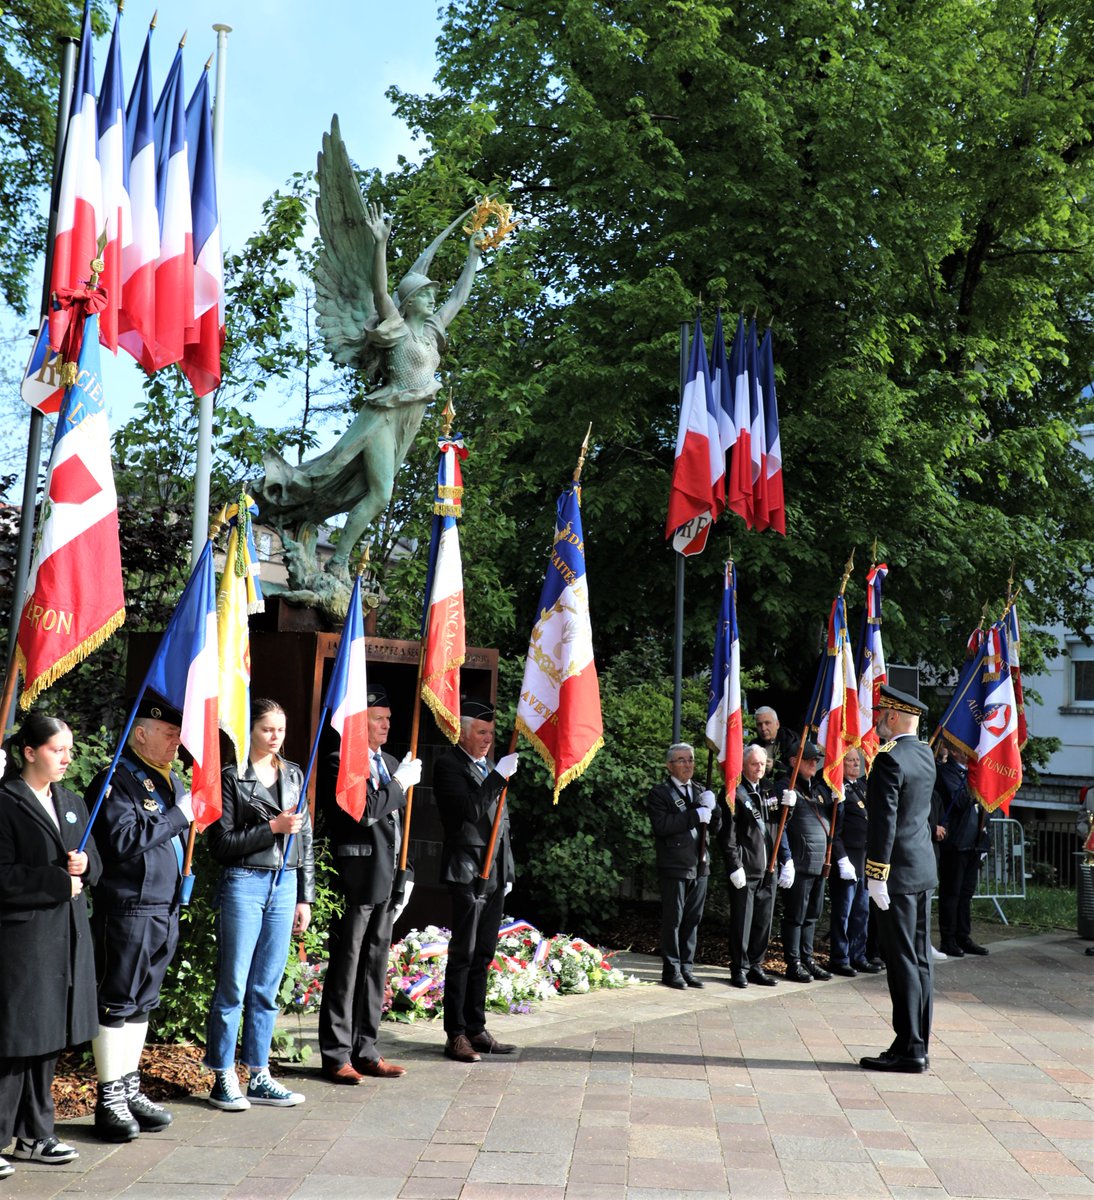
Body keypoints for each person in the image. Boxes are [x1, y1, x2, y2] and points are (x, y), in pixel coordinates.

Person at [88, 695, 193, 1142]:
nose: (176, 742)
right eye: (169, 734)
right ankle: (109, 1097)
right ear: (140, 733)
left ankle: (129, 1087)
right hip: (129, 907)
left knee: (143, 1002)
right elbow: (123, 841)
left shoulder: (166, 782)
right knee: (117, 1000)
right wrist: (177, 817)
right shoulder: (117, 780)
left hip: (162, 907)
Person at [0, 715, 99, 1177]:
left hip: (66, 940)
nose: (66, 758)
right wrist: (57, 882)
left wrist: (86, 863)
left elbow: (95, 864)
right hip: (24, 940)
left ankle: (37, 1135)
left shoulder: (72, 801)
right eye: (58, 749)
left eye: (69, 749)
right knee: (16, 1041)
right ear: (30, 752)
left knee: (47, 1038)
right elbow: (3, 876)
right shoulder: (5, 803)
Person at [204, 700, 315, 1110]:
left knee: (266, 987)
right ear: (249, 730)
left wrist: (305, 895)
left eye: (281, 730)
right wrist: (272, 828)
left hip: (285, 884)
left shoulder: (294, 775)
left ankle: (260, 1074)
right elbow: (221, 844)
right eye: (268, 729)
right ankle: (221, 1074)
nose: (275, 737)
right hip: (244, 882)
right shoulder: (232, 778)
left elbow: (304, 843)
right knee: (233, 983)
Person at [318, 684, 422, 1082]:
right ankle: (336, 1054)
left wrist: (406, 871)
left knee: (375, 965)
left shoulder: (391, 761)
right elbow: (363, 812)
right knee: (347, 967)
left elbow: (401, 827)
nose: (386, 725)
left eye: (389, 718)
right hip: (356, 878)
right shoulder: (339, 762)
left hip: (387, 878)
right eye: (378, 719)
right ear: (360, 723)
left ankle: (366, 1048)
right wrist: (398, 785)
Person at [433, 701, 520, 1062]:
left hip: (495, 871)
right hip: (468, 870)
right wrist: (498, 778)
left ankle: (476, 1027)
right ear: (463, 733)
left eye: (490, 733)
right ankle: (456, 1034)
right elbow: (468, 811)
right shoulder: (449, 765)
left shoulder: (487, 766)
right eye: (481, 732)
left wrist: (509, 871)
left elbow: (502, 827)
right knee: (464, 954)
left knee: (484, 953)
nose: (487, 739)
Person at [860, 684, 938, 1074]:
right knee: (920, 960)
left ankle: (910, 1049)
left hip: (898, 876)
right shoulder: (924, 754)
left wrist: (876, 874)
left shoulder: (890, 759)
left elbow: (885, 824)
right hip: (922, 870)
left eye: (880, 714)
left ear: (892, 717)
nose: (877, 721)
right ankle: (916, 1040)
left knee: (902, 960)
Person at [644, 743, 720, 990]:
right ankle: (671, 970)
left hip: (700, 864)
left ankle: (687, 968)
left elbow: (716, 828)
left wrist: (715, 808)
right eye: (682, 760)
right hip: (675, 865)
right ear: (669, 765)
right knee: (674, 920)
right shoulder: (660, 793)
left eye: (691, 760)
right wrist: (695, 814)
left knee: (692, 920)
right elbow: (662, 826)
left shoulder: (700, 790)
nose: (688, 764)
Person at [717, 744, 791, 988]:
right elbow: (727, 834)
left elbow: (776, 826)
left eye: (762, 763)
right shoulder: (733, 792)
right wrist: (733, 865)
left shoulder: (769, 788)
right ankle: (739, 968)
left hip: (768, 867)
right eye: (754, 764)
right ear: (744, 765)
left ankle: (756, 965)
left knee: (763, 921)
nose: (759, 767)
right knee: (743, 921)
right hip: (746, 867)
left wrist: (789, 809)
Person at [778, 741, 840, 982]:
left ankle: (807, 959)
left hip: (818, 863)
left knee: (812, 914)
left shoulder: (817, 789)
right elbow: (780, 826)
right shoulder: (786, 787)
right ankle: (793, 963)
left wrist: (839, 804)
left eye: (817, 759)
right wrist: (787, 859)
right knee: (796, 915)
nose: (815, 763)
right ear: (794, 761)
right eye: (810, 759)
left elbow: (834, 824)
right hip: (800, 863)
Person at [827, 747, 881, 975]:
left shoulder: (862, 786)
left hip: (864, 859)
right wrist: (840, 857)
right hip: (847, 860)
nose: (855, 764)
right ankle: (840, 957)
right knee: (844, 912)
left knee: (862, 910)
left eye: (856, 761)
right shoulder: (838, 790)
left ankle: (858, 955)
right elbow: (834, 830)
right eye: (849, 761)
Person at [933, 746, 990, 957]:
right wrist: (977, 781)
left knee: (966, 893)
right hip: (956, 841)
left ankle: (963, 936)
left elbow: (987, 805)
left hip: (974, 841)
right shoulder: (947, 771)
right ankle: (948, 939)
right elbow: (961, 801)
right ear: (956, 751)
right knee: (952, 892)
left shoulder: (971, 773)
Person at [754, 707, 800, 777]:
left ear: (777, 724)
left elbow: (798, 773)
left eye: (767, 723)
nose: (763, 728)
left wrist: (775, 765)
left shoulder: (791, 741)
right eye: (759, 724)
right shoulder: (754, 745)